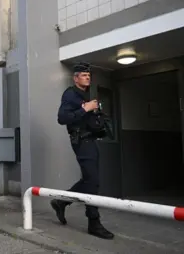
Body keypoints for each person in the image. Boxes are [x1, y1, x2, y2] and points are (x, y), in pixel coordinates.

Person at [50, 62, 114, 240]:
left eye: (89, 75)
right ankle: (94, 222)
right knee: (92, 181)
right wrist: (85, 109)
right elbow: (62, 118)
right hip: (81, 141)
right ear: (75, 77)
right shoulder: (70, 94)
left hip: (90, 141)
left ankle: (61, 202)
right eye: (83, 75)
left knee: (89, 180)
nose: (87, 77)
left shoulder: (86, 95)